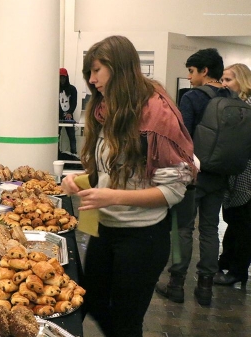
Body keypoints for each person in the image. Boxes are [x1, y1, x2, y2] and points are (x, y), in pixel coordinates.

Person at [61, 36, 196, 337]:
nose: (92, 80)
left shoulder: (157, 115)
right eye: (89, 73)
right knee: (90, 301)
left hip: (142, 238)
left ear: (119, 68)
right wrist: (82, 179)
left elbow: (173, 192)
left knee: (126, 321)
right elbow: (111, 168)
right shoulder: (106, 108)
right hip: (106, 229)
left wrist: (112, 196)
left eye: (97, 71)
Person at [155, 48, 230, 306]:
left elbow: (181, 137)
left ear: (204, 71)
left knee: (182, 228)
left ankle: (176, 285)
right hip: (220, 175)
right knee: (210, 229)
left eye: (191, 71)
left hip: (193, 174)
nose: (188, 77)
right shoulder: (231, 97)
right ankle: (205, 288)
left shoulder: (192, 97)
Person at [214, 63, 251, 286]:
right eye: (223, 80)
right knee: (235, 221)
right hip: (236, 173)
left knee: (243, 224)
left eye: (228, 80)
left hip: (246, 174)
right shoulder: (235, 106)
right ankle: (227, 263)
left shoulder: (246, 108)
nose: (224, 84)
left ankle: (237, 271)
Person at [58, 67, 78, 155]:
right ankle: (56, 153)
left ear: (66, 78)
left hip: (68, 116)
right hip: (57, 117)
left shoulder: (72, 89)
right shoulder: (55, 89)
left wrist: (70, 112)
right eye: (60, 77)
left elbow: (74, 103)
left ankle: (74, 154)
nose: (62, 79)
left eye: (63, 77)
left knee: (72, 136)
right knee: (56, 137)